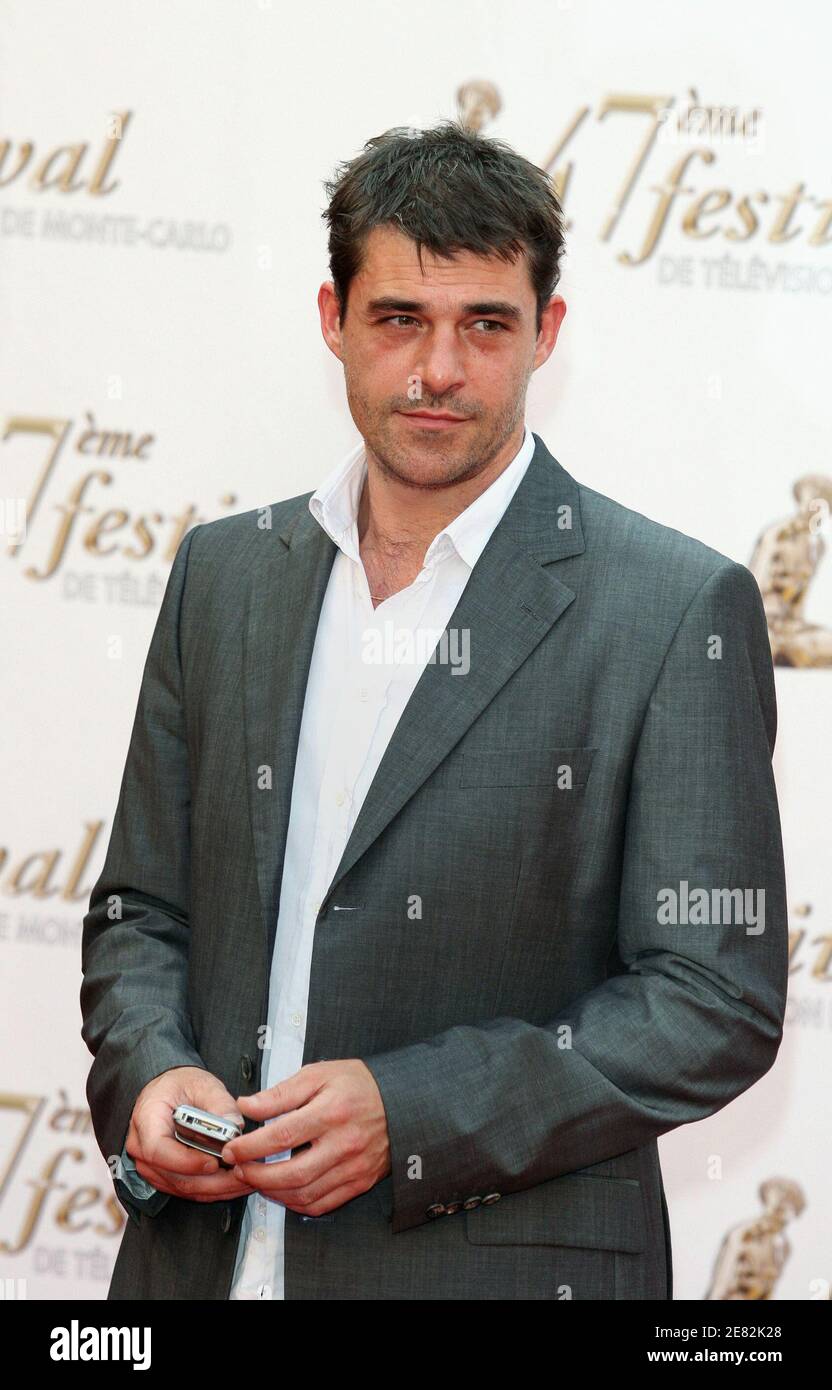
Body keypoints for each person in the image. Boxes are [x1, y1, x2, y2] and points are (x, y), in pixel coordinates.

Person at [81, 120, 788, 1301]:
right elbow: (141, 909)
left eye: (485, 325)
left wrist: (411, 1113)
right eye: (400, 319)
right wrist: (152, 1074)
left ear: (545, 334)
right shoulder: (225, 573)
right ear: (334, 320)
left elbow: (711, 998)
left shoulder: (670, 606)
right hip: (195, 1270)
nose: (438, 370)